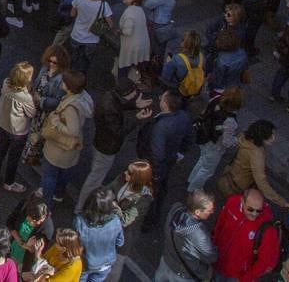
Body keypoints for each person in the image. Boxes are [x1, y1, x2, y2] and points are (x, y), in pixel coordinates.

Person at [75, 75, 150, 213]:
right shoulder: (111, 108)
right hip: (106, 147)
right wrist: (136, 118)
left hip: (100, 142)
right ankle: (80, 208)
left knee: (96, 172)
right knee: (94, 178)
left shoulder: (109, 96)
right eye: (133, 93)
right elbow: (118, 131)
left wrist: (134, 105)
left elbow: (118, 105)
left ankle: (84, 202)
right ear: (126, 93)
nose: (135, 95)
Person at [140, 89, 195, 233]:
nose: (160, 99)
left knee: (152, 193)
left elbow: (157, 153)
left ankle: (149, 220)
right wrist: (180, 154)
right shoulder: (184, 117)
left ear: (165, 104)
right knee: (161, 189)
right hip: (169, 160)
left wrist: (155, 173)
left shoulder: (161, 127)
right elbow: (189, 138)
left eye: (162, 98)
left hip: (156, 167)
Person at [40, 69, 92, 209]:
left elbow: (72, 131)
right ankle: (59, 194)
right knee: (65, 173)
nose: (62, 82)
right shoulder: (83, 99)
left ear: (69, 87)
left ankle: (46, 205)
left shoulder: (70, 108)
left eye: (64, 81)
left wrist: (58, 124)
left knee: (49, 175)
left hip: (58, 148)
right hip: (71, 150)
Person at [214, 120, 289, 210]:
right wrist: (282, 202)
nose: (274, 138)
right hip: (239, 187)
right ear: (262, 137)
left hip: (229, 176)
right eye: (271, 136)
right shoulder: (256, 154)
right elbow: (261, 182)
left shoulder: (244, 138)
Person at [212, 189, 281, 282]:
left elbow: (264, 262)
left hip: (237, 276)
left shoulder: (268, 229)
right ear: (242, 201)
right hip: (217, 262)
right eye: (250, 209)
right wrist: (213, 245)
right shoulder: (232, 202)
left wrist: (244, 279)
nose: (254, 214)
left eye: (259, 210)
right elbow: (220, 224)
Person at [0, 61, 37, 193]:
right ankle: (9, 182)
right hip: (18, 131)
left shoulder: (6, 84)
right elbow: (32, 112)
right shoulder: (25, 97)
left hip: (3, 124)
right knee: (13, 157)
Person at [186, 87, 244, 194]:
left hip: (204, 137)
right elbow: (226, 142)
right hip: (215, 147)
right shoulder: (230, 121)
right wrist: (238, 140)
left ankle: (191, 180)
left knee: (202, 160)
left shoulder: (215, 99)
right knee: (207, 170)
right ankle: (193, 189)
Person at [155, 191, 217, 282]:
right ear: (197, 212)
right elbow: (211, 257)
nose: (212, 212)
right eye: (209, 210)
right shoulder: (199, 234)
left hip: (166, 261)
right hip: (182, 275)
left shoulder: (176, 209)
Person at [74, 188, 125, 282]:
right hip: (106, 263)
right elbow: (120, 242)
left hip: (85, 263)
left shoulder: (80, 221)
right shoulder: (116, 221)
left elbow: (73, 243)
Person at [68, 0, 113, 73]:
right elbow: (110, 24)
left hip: (76, 36)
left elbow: (72, 14)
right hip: (91, 40)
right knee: (84, 67)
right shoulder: (104, 5)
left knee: (72, 63)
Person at [114, 0, 151, 77]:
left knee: (123, 68)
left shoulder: (129, 13)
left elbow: (127, 31)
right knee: (137, 68)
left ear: (134, 0)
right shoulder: (140, 10)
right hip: (142, 45)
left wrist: (119, 31)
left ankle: (122, 87)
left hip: (131, 48)